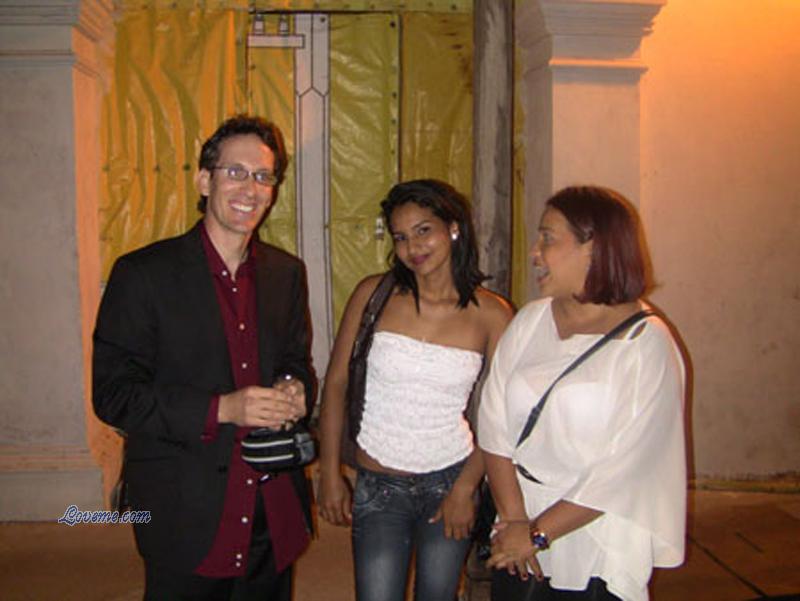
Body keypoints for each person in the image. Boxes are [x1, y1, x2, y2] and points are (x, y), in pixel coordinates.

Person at [93, 115, 315, 601]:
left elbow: (295, 360)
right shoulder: (143, 274)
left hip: (271, 504)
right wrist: (223, 409)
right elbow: (114, 395)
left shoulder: (286, 274)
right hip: (184, 508)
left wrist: (295, 388)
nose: (250, 188)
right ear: (203, 180)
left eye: (263, 176)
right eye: (235, 172)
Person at [478, 186, 686, 601]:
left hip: (596, 534)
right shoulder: (530, 321)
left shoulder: (646, 343)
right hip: (517, 521)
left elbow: (628, 466)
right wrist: (515, 521)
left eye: (548, 239)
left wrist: (537, 534)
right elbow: (493, 421)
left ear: (594, 247)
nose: (535, 253)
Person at [317, 179, 513, 601]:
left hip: (451, 479)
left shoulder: (492, 314)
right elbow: (335, 384)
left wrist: (466, 488)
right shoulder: (374, 294)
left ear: (453, 228)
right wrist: (329, 472)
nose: (413, 247)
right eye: (401, 237)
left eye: (424, 230)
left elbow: (503, 415)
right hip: (379, 482)